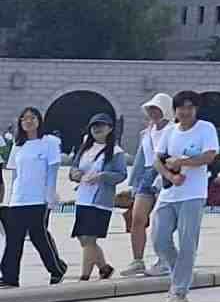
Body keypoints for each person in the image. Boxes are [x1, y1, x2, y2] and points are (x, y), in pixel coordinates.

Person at [151, 91, 220, 302]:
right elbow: (158, 160)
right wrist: (171, 175)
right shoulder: (170, 130)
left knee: (187, 242)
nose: (185, 111)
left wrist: (183, 162)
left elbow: (209, 156)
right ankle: (181, 273)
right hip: (169, 194)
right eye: (181, 107)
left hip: (193, 195)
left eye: (190, 107)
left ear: (196, 109)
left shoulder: (205, 128)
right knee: (159, 240)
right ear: (175, 110)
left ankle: (179, 290)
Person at [1, 106, 66, 287]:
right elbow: (15, 174)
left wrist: (50, 195)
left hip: (38, 199)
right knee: (14, 239)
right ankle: (10, 278)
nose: (28, 121)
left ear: (39, 120)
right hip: (18, 199)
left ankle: (57, 269)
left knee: (39, 238)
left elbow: (53, 170)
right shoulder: (19, 144)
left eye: (32, 118)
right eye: (24, 119)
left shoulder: (49, 142)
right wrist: (11, 197)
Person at [69, 112, 128, 281]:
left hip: (100, 201)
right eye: (94, 126)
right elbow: (73, 170)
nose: (97, 129)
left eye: (102, 125)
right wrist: (75, 174)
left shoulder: (116, 152)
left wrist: (102, 176)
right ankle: (104, 268)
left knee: (89, 238)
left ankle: (84, 277)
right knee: (83, 238)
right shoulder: (85, 148)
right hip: (83, 198)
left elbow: (121, 174)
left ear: (110, 128)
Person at [120, 92, 170, 278]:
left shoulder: (173, 129)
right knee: (137, 218)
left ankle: (164, 259)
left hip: (165, 173)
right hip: (147, 174)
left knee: (162, 221)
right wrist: (134, 183)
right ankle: (137, 260)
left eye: (157, 109)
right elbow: (141, 158)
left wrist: (164, 177)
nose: (153, 113)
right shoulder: (147, 132)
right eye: (151, 109)